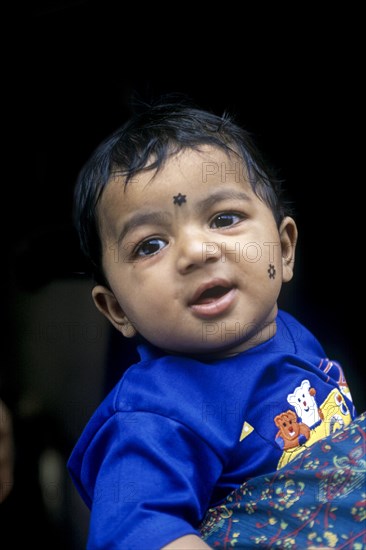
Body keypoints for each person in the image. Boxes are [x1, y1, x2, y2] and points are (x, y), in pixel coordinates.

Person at [67, 99, 357, 550]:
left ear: (283, 250)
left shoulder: (292, 334)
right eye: (151, 245)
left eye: (224, 219)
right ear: (116, 309)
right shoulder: (155, 416)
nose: (197, 251)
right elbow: (136, 532)